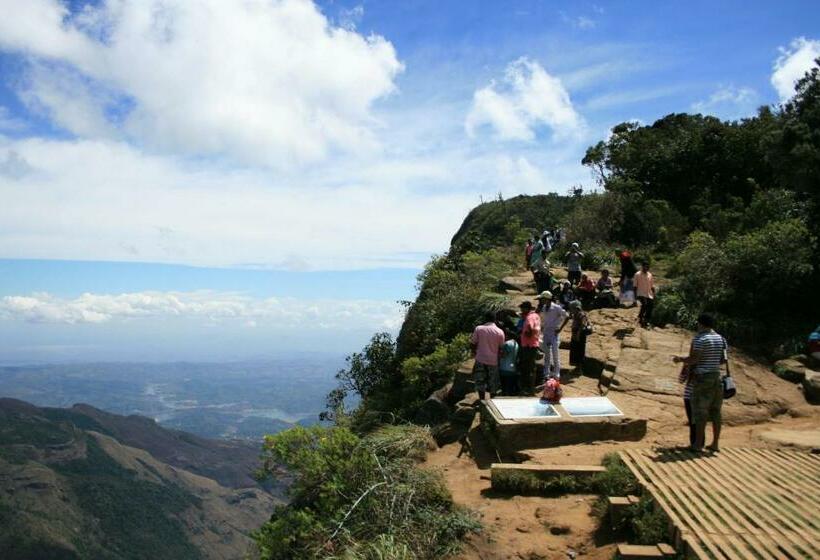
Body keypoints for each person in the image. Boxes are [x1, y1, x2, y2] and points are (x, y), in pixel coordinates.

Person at [672, 313, 727, 452]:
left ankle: (697, 444)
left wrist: (680, 359)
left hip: (702, 379)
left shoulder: (700, 339)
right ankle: (715, 444)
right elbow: (723, 360)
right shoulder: (721, 339)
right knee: (716, 412)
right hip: (716, 378)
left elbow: (694, 359)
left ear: (701, 324)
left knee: (699, 413)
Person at [470, 311, 505, 401]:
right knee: (493, 383)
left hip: (480, 359)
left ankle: (482, 401)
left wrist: (474, 352)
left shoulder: (479, 329)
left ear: (485, 319)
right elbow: (501, 348)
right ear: (495, 320)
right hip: (493, 361)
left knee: (480, 381)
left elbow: (473, 343)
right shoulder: (500, 332)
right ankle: (492, 402)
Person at [538, 291, 569, 381]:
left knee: (555, 354)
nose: (541, 300)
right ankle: (546, 374)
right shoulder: (544, 308)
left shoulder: (556, 307)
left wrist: (560, 328)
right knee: (547, 355)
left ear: (547, 299)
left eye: (543, 298)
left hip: (554, 334)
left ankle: (557, 374)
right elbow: (544, 321)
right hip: (546, 333)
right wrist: (541, 329)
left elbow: (567, 316)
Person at [517, 301, 541, 394]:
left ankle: (527, 389)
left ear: (527, 308)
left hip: (528, 345)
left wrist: (525, 334)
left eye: (523, 308)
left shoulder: (529, 317)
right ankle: (531, 388)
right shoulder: (536, 315)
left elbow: (530, 328)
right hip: (534, 344)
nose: (521, 310)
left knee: (526, 368)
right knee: (531, 367)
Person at [568, 301, 590, 375]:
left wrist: (578, 334)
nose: (571, 310)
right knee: (575, 351)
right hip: (576, 334)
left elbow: (583, 325)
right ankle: (577, 368)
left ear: (576, 308)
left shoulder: (581, 314)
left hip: (579, 335)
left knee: (579, 351)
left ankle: (579, 369)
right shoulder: (576, 314)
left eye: (572, 308)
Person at [678, 364, 696, 448]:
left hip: (689, 396)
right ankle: (698, 442)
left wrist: (685, 368)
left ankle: (694, 443)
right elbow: (681, 380)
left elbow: (681, 380)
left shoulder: (693, 366)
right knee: (696, 421)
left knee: (693, 422)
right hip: (693, 396)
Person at [634, 261, 656, 328]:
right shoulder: (637, 274)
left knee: (651, 306)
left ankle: (646, 320)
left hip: (648, 293)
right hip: (640, 293)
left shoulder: (650, 275)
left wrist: (654, 293)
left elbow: (652, 285)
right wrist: (634, 296)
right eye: (645, 266)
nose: (647, 268)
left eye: (648, 267)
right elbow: (634, 286)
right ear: (642, 266)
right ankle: (640, 317)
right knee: (644, 304)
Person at [498, 329, 520, 396]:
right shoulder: (516, 344)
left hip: (504, 368)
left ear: (507, 335)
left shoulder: (507, 344)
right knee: (510, 387)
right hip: (513, 369)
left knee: (504, 387)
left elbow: (503, 355)